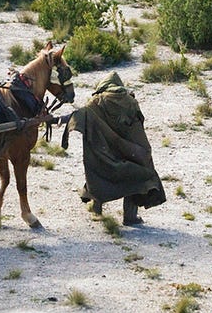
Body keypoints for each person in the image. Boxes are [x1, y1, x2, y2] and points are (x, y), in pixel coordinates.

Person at [62, 72, 165, 225]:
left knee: (98, 173)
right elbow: (137, 126)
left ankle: (97, 210)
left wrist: (61, 120)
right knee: (135, 178)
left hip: (104, 151)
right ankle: (130, 217)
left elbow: (82, 115)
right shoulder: (130, 102)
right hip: (127, 151)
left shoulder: (95, 102)